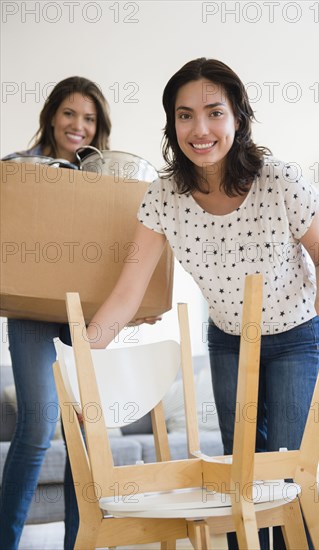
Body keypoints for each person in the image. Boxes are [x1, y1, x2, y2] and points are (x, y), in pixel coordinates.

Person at [85, 58, 319, 549]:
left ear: (238, 117)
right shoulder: (163, 196)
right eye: (185, 114)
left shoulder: (280, 179)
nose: (201, 128)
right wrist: (84, 357)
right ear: (172, 124)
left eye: (215, 112)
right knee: (242, 472)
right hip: (229, 337)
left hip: (299, 332)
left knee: (290, 470)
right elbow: (127, 292)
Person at [0, 76, 112, 550]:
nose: (78, 126)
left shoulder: (104, 180)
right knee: (40, 425)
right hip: (30, 310)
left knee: (85, 434)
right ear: (51, 115)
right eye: (70, 114)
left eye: (89, 119)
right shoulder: (16, 169)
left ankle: (77, 543)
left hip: (83, 316)